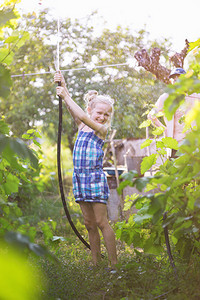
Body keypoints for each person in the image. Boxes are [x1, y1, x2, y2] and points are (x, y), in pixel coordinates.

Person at [54, 71, 117, 267]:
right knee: (89, 224)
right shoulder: (82, 126)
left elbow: (80, 113)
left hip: (95, 179)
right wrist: (63, 86)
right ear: (90, 109)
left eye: (107, 114)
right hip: (80, 179)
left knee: (101, 222)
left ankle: (114, 263)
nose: (103, 117)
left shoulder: (101, 130)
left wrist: (65, 94)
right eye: (99, 112)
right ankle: (95, 262)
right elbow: (74, 111)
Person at [148, 67, 200, 157]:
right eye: (174, 80)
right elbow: (151, 115)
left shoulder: (195, 97)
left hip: (193, 145)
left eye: (179, 79)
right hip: (175, 146)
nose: (176, 82)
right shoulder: (166, 98)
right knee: (175, 169)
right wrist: (164, 129)